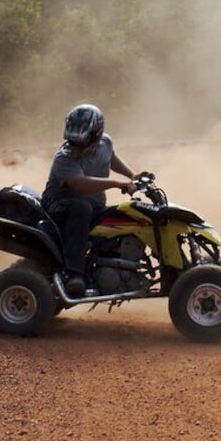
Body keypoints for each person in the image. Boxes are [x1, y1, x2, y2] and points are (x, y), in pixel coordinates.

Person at [42, 104, 137, 297]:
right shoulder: (64, 158)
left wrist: (132, 175)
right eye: (73, 142)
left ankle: (113, 265)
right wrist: (117, 183)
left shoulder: (106, 142)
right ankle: (74, 274)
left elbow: (110, 159)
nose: (77, 147)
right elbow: (79, 185)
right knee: (81, 208)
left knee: (127, 213)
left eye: (82, 142)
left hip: (94, 205)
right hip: (58, 205)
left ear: (97, 134)